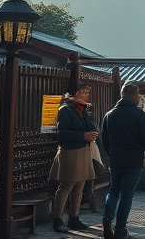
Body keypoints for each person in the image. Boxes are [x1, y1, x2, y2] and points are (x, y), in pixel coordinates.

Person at [101, 83, 145, 239]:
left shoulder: (109, 115)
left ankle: (108, 218)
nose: (138, 98)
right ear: (134, 95)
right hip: (133, 160)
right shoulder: (139, 115)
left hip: (115, 160)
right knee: (127, 195)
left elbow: (104, 139)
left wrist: (111, 154)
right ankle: (120, 230)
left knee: (113, 191)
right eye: (138, 95)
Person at [49, 84, 98, 232]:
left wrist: (92, 132)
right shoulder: (66, 109)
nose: (85, 95)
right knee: (67, 186)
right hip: (70, 151)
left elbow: (88, 126)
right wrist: (82, 136)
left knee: (79, 186)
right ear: (75, 93)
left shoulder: (82, 109)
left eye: (87, 93)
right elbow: (62, 132)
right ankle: (57, 219)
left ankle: (74, 217)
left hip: (83, 150)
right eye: (83, 92)